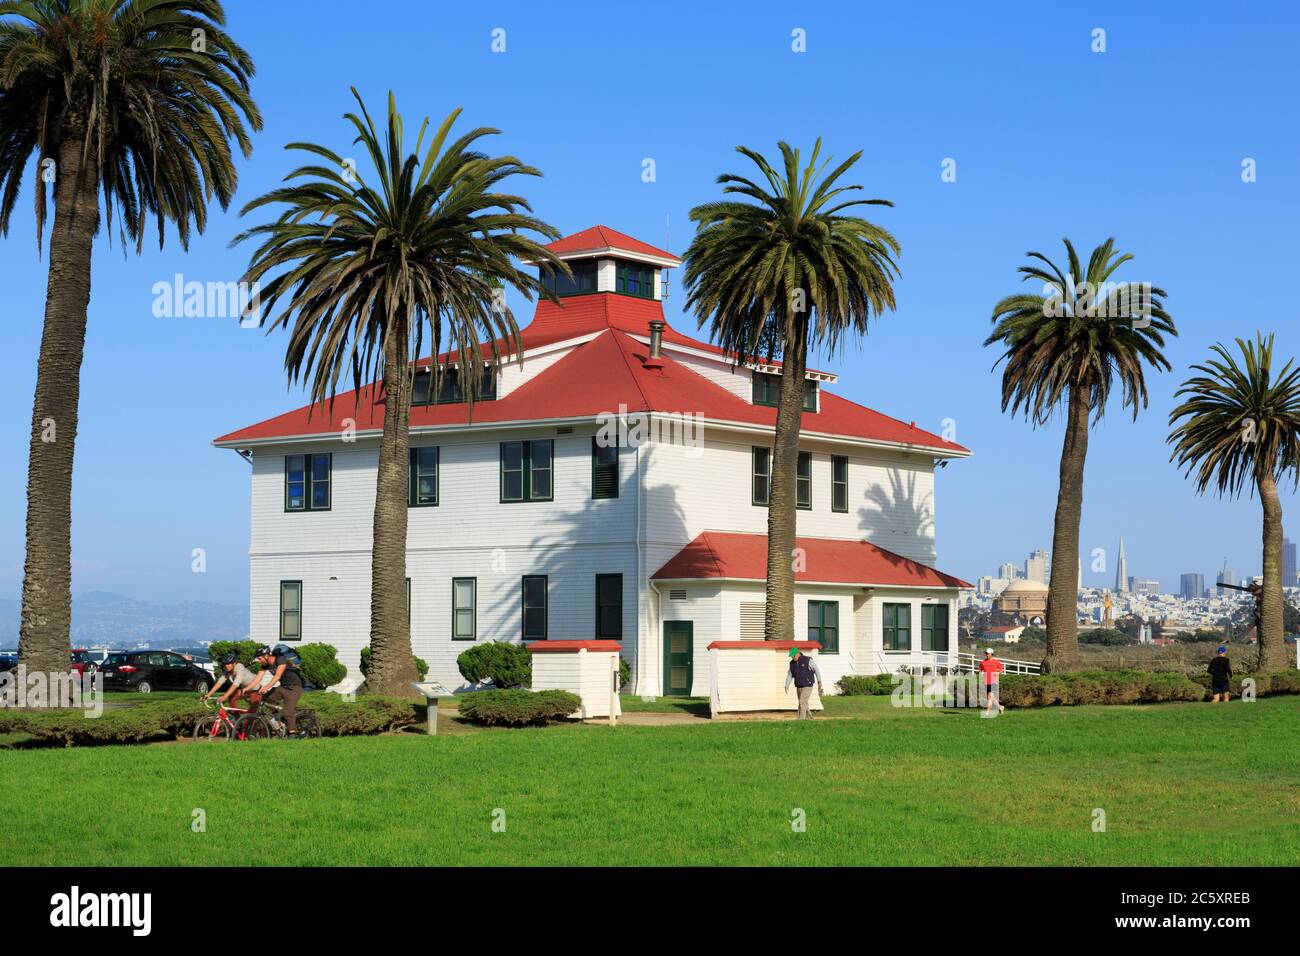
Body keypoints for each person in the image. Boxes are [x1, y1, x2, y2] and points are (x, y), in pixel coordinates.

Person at [256, 645, 304, 734]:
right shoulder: (265, 665)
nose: (259, 661)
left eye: (259, 658)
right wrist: (246, 689)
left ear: (266, 656)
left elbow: (277, 676)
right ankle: (278, 719)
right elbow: (257, 678)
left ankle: (292, 734)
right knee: (265, 699)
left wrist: (266, 687)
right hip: (283, 687)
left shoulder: (280, 659)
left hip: (294, 687)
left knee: (288, 711)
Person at [784, 646, 824, 720]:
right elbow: (790, 674)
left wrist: (819, 681)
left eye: (793, 656)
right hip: (799, 685)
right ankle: (810, 718)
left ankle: (801, 719)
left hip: (808, 685)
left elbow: (816, 669)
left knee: (802, 701)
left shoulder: (807, 660)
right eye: (791, 656)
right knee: (803, 702)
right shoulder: (792, 663)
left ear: (798, 653)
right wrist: (786, 685)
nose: (792, 657)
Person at [979, 647, 1005, 716]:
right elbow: (980, 670)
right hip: (986, 682)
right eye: (986, 653)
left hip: (993, 682)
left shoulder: (996, 662)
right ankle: (1000, 707)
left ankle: (988, 712)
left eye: (988, 653)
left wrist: (998, 673)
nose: (986, 654)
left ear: (991, 654)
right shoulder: (983, 662)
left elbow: (1002, 669)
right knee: (991, 698)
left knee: (990, 697)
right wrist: (981, 674)